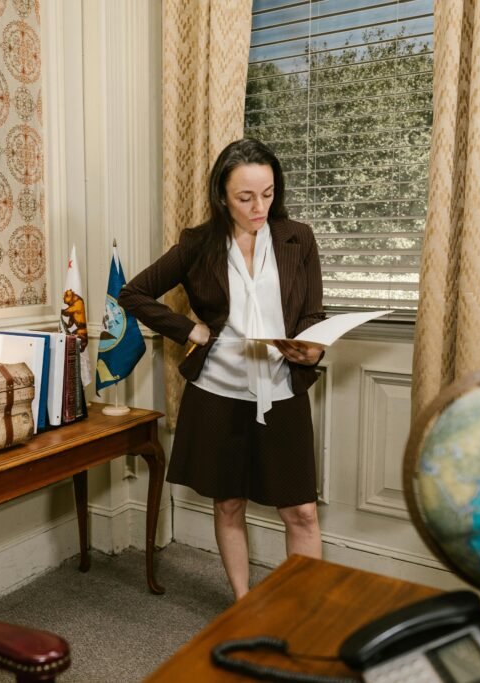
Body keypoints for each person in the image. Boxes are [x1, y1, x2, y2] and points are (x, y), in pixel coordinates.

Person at [119, 138, 325, 600]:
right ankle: (243, 602)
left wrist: (311, 348)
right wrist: (188, 331)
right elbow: (133, 293)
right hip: (217, 394)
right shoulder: (197, 244)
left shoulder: (298, 238)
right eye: (245, 197)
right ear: (221, 196)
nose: (259, 207)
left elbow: (312, 313)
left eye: (268, 194)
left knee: (303, 513)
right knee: (229, 503)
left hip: (281, 392)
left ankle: (307, 611)